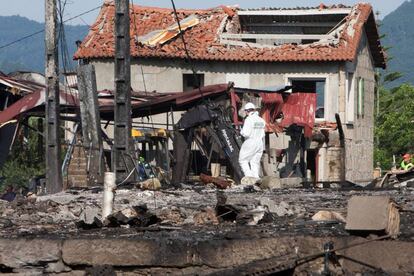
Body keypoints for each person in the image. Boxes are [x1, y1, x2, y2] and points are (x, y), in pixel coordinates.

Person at [238, 102, 266, 179]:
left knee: (242, 160)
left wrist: (241, 131)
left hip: (251, 142)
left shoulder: (249, 119)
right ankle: (256, 178)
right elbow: (263, 134)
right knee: (254, 162)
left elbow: (246, 133)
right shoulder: (261, 120)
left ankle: (249, 177)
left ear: (247, 111)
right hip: (260, 143)